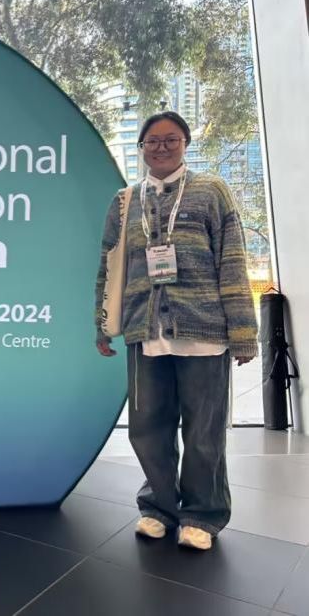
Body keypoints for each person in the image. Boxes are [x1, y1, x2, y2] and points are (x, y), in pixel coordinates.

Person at [95, 111, 257, 551]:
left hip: (204, 331)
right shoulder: (125, 201)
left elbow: (232, 261)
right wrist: (103, 323)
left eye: (171, 139)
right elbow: (110, 268)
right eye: (152, 141)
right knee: (147, 426)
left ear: (185, 143)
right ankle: (158, 507)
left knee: (204, 430)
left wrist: (243, 331)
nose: (161, 147)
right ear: (142, 148)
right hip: (145, 329)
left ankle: (202, 514)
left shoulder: (211, 191)